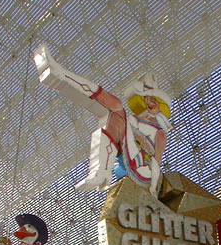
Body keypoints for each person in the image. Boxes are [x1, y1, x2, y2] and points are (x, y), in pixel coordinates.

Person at [33, 44, 172, 197]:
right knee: (111, 113)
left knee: (116, 108)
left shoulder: (159, 132)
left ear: (160, 106)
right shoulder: (135, 119)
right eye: (147, 98)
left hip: (142, 170)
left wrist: (153, 189)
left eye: (154, 100)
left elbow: (157, 162)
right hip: (128, 154)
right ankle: (59, 74)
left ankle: (60, 74)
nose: (150, 102)